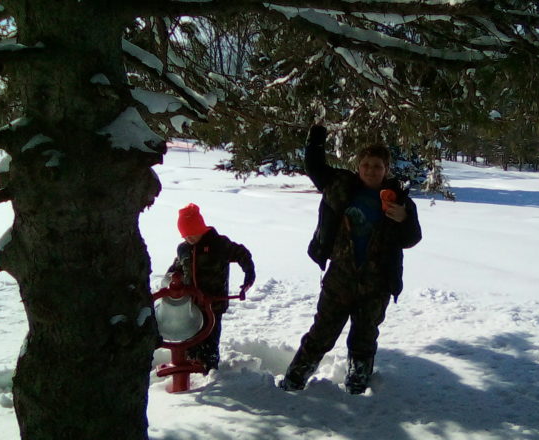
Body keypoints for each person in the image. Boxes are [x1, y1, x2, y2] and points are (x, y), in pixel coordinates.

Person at [279, 125, 422, 394]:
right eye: (366, 164)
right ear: (358, 166)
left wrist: (404, 219)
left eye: (377, 166)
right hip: (340, 276)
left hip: (376, 282)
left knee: (364, 338)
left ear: (386, 169)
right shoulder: (341, 185)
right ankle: (294, 380)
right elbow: (314, 166)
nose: (371, 170)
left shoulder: (400, 200)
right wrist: (316, 135)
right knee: (321, 332)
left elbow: (412, 238)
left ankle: (357, 386)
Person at [162, 203, 255, 370]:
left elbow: (243, 254)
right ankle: (191, 367)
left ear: (201, 228)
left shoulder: (219, 244)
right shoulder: (184, 249)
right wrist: (169, 282)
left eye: (192, 234)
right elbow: (177, 268)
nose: (189, 239)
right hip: (191, 305)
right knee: (190, 341)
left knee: (210, 341)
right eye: (185, 236)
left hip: (214, 304)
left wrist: (249, 274)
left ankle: (210, 370)